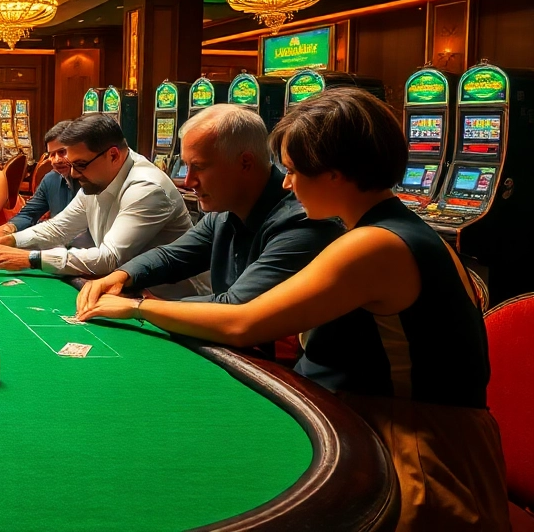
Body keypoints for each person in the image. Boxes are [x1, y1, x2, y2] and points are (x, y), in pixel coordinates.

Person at [79, 89, 508, 530]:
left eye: (295, 170)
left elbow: (243, 321)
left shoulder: (373, 244)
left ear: (336, 173)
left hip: (416, 450)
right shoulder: (380, 228)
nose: (285, 183)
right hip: (370, 420)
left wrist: (136, 308)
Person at [78, 105, 342, 309]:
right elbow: (172, 257)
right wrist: (122, 276)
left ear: (245, 164)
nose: (189, 181)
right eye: (186, 166)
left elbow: (237, 306)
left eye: (200, 167)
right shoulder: (225, 213)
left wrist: (137, 307)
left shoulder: (301, 220)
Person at [0, 115, 206, 299]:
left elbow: (108, 258)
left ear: (113, 155)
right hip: (131, 292)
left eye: (81, 164)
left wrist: (30, 259)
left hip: (176, 301)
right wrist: (10, 240)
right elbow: (60, 228)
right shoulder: (96, 179)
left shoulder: (146, 188)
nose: (74, 173)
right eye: (72, 164)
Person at [0, 119, 89, 249]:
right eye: (51, 154)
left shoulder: (93, 182)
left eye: (62, 152)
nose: (56, 160)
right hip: (59, 250)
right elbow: (28, 214)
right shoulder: (50, 179)